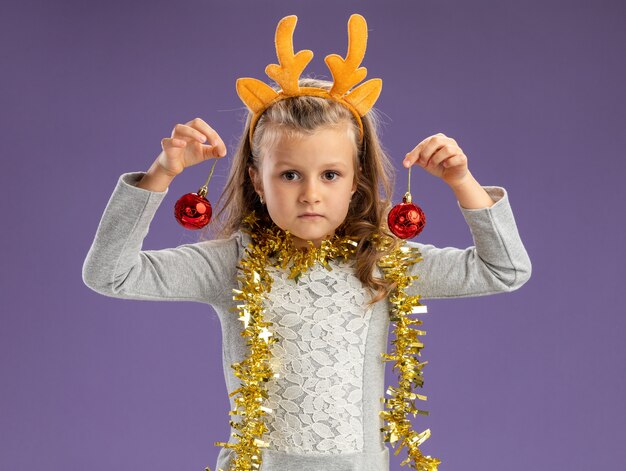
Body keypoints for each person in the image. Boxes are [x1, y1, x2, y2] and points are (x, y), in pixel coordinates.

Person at [82, 15, 531, 471]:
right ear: (257, 181)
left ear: (356, 181)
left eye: (330, 175)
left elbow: (504, 269)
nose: (310, 193)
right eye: (290, 174)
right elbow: (110, 274)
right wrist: (162, 173)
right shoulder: (230, 265)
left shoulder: (383, 262)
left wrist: (461, 181)